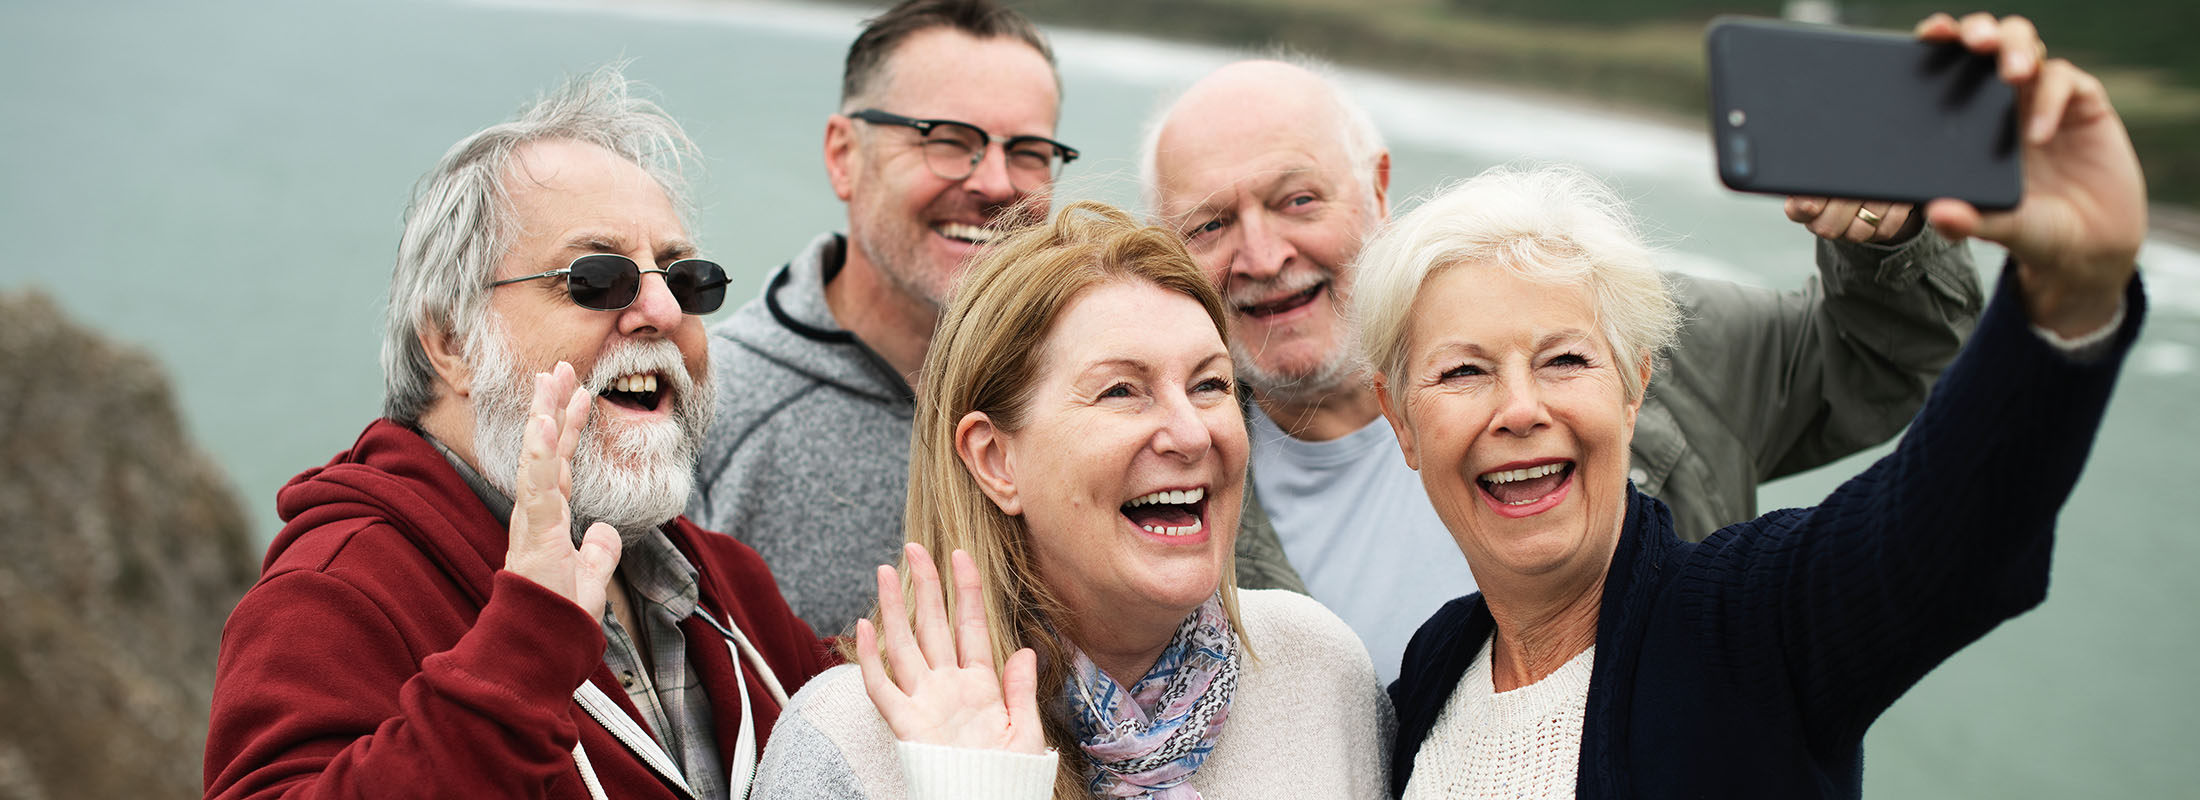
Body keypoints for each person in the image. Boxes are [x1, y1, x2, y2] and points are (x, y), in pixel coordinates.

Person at [1374, 14, 2144, 796]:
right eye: (1464, 372)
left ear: (1637, 385)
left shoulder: (1750, 627)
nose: (1520, 408)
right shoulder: (1431, 671)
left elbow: (1944, 527)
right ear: (1400, 421)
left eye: (1565, 359)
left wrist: (2072, 290)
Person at [1140, 57, 1984, 680]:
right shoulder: (1160, 491)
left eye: (1297, 200)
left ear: (1378, 188)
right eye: (1210, 225)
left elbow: (1886, 357)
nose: (1261, 253)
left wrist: (1888, 230)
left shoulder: (1617, 325)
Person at [203, 68, 832, 800]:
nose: (662, 309)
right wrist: (524, 651)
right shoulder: (335, 595)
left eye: (686, 280)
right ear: (451, 341)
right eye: (596, 278)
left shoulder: (726, 586)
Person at [686, 0, 1308, 640]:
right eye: (948, 141)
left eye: (1030, 152)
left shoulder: (1165, 402)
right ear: (844, 154)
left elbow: (1255, 627)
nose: (994, 182)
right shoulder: (712, 414)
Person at [750, 202, 1391, 799]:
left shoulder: (1318, 673)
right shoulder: (851, 742)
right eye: (1121, 391)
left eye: (1210, 384)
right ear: (996, 460)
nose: (1193, 432)